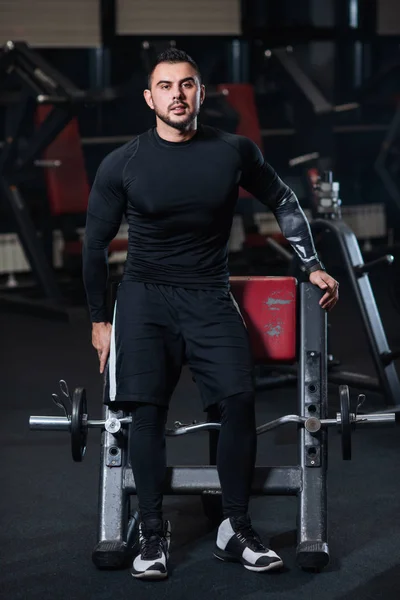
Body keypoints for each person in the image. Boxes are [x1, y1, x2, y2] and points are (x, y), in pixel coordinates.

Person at [83, 48, 339, 580]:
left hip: (208, 293)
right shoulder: (124, 162)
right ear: (150, 97)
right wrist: (100, 322)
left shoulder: (233, 151)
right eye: (166, 85)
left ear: (202, 93)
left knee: (238, 401)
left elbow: (285, 201)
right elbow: (94, 245)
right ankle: (152, 530)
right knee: (145, 412)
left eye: (188, 84)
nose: (178, 94)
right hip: (145, 296)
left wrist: (311, 264)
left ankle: (234, 524)